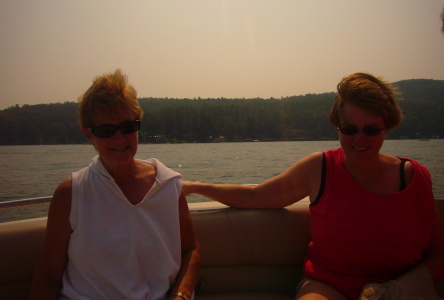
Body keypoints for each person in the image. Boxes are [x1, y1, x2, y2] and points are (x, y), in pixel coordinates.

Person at [183, 72, 444, 300]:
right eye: (349, 129)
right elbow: (256, 196)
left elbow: (438, 254)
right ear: (337, 126)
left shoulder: (414, 178)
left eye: (371, 130)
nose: (360, 139)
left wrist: (401, 289)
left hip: (400, 287)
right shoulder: (319, 168)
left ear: (387, 127)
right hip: (330, 286)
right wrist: (195, 186)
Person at [30, 69, 200, 300]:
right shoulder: (71, 194)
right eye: (106, 131)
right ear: (88, 135)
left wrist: (181, 295)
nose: (120, 139)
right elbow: (49, 275)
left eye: (128, 127)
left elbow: (191, 249)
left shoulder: (168, 184)